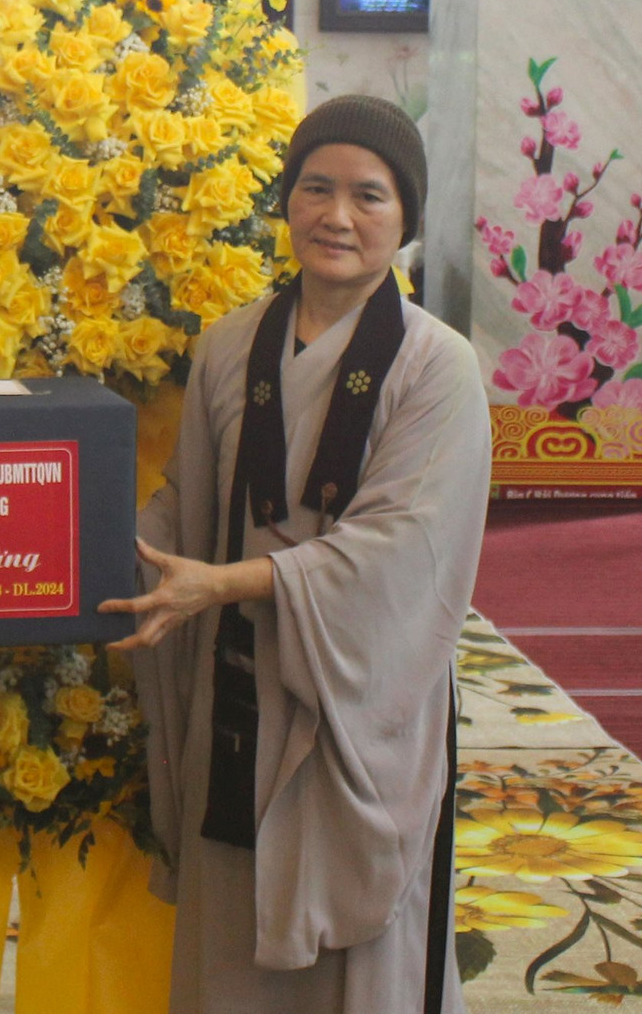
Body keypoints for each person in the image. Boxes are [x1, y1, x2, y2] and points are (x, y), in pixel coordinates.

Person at [101, 95, 490, 1013]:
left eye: (369, 196)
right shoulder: (233, 342)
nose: (338, 217)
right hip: (237, 685)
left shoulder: (438, 366)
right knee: (230, 933)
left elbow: (402, 552)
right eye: (316, 188)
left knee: (358, 957)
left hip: (358, 702)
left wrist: (229, 584)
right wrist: (68, 552)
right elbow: (185, 506)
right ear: (286, 201)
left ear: (406, 219)